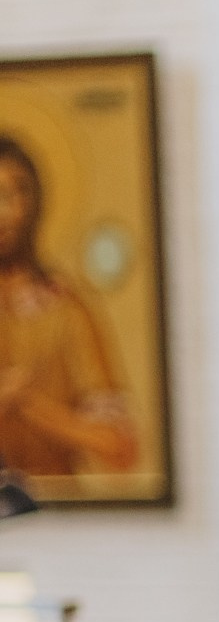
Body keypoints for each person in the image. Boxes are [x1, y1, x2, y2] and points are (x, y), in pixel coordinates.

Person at [0, 137, 140, 482]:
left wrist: (31, 405)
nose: (3, 212)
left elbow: (119, 447)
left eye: (14, 194)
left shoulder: (65, 310)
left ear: (34, 204)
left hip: (57, 513)